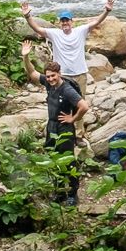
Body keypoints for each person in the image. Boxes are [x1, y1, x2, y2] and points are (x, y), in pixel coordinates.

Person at [20, 0, 113, 94]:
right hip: (62, 75)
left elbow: (96, 22)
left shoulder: (80, 31)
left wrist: (107, 11)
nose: (65, 23)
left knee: (80, 101)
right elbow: (37, 28)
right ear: (60, 23)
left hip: (80, 74)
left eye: (67, 20)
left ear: (71, 21)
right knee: (63, 102)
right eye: (62, 21)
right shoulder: (55, 33)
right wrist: (27, 16)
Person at [39, 60, 89, 205]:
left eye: (53, 76)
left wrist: (73, 118)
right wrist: (26, 57)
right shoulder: (49, 84)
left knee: (68, 160)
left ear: (59, 74)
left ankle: (73, 194)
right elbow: (32, 73)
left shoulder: (67, 89)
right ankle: (60, 192)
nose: (50, 79)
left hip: (64, 128)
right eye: (48, 77)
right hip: (52, 127)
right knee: (54, 159)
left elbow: (84, 106)